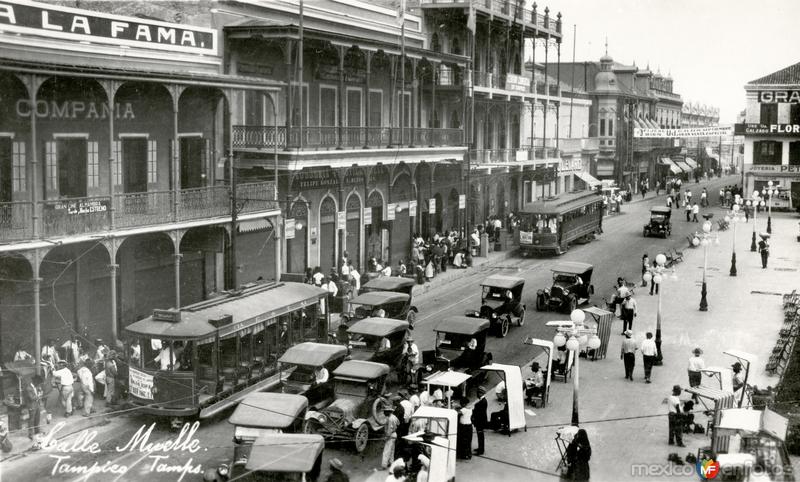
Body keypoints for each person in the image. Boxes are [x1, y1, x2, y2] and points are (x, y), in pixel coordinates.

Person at [23, 375, 43, 439]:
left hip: (37, 405)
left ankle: (37, 431)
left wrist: (39, 391)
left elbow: (36, 394)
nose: (39, 384)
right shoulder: (28, 388)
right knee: (31, 420)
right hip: (31, 406)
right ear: (35, 382)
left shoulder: (35, 387)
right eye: (38, 383)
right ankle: (30, 434)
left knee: (37, 418)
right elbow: (32, 398)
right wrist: (39, 395)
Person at [472, 386, 488, 455]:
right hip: (481, 421)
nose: (477, 394)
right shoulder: (483, 401)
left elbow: (479, 413)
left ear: (481, 393)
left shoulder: (482, 402)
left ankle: (481, 450)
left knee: (480, 435)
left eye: (478, 393)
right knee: (480, 435)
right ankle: (480, 448)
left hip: (480, 422)